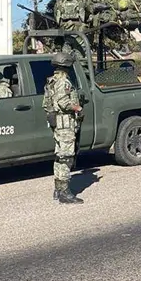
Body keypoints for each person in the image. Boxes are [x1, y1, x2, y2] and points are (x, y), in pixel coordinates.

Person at [42, 52, 84, 204]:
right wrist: (78, 108)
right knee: (66, 157)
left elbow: (46, 103)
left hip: (58, 123)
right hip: (65, 123)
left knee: (59, 156)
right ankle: (64, 192)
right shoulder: (64, 81)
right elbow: (63, 102)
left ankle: (58, 189)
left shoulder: (51, 81)